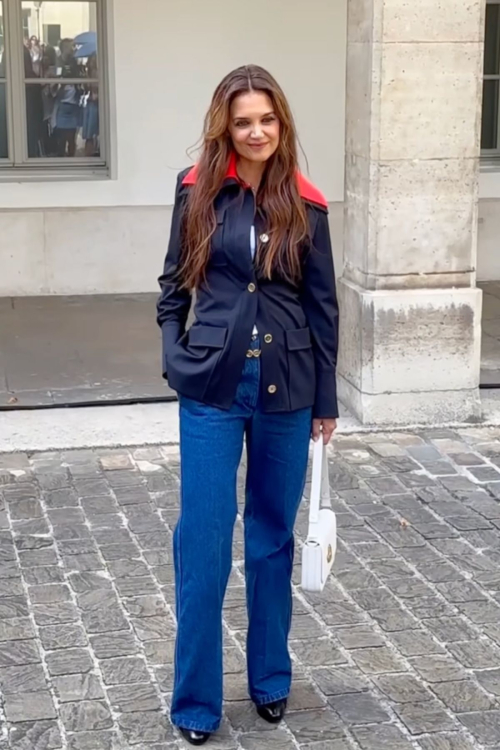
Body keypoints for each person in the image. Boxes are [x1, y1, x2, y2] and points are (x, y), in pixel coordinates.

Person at [157, 64, 339, 746]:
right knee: (202, 541)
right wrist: (176, 359)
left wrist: (326, 401)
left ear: (281, 123)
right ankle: (196, 701)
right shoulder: (196, 192)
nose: (256, 131)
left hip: (288, 390)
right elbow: (173, 284)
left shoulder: (309, 202)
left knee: (270, 539)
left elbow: (323, 308)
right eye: (243, 121)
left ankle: (270, 678)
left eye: (266, 119)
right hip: (211, 386)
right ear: (225, 129)